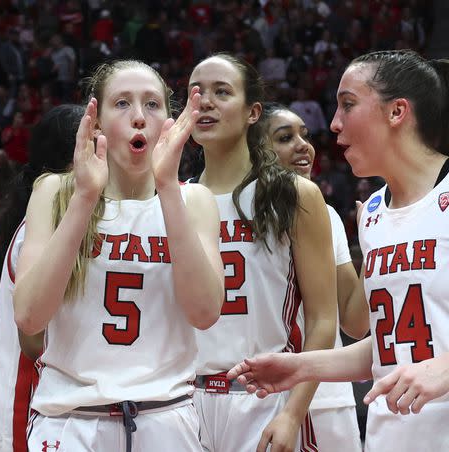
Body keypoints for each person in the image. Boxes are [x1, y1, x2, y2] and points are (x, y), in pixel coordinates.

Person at [228, 49, 449, 451]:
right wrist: (299, 366)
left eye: (348, 105)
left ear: (397, 112)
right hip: (391, 434)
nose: (333, 124)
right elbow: (390, 344)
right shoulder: (373, 214)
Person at [14, 60, 225, 451]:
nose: (139, 117)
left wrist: (167, 187)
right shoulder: (54, 192)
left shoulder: (194, 200)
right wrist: (84, 199)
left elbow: (205, 312)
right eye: (123, 104)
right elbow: (28, 318)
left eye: (152, 104)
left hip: (164, 416)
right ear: (95, 123)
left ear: (170, 121)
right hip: (71, 419)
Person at [188, 53, 337, 452]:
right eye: (196, 92)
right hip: (182, 403)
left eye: (222, 92)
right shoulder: (172, 199)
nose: (205, 102)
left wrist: (292, 414)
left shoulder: (295, 194)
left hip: (263, 398)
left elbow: (323, 320)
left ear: (253, 112)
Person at [0, 104, 84, 452]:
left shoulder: (57, 218)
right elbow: (36, 340)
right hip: (23, 407)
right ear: (72, 162)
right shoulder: (48, 226)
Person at [260, 102, 365, 451]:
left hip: (326, 397)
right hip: (255, 401)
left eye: (304, 135)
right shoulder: (219, 210)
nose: (304, 145)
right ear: (256, 149)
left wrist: (374, 247)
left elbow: (355, 322)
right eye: (285, 137)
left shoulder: (326, 214)